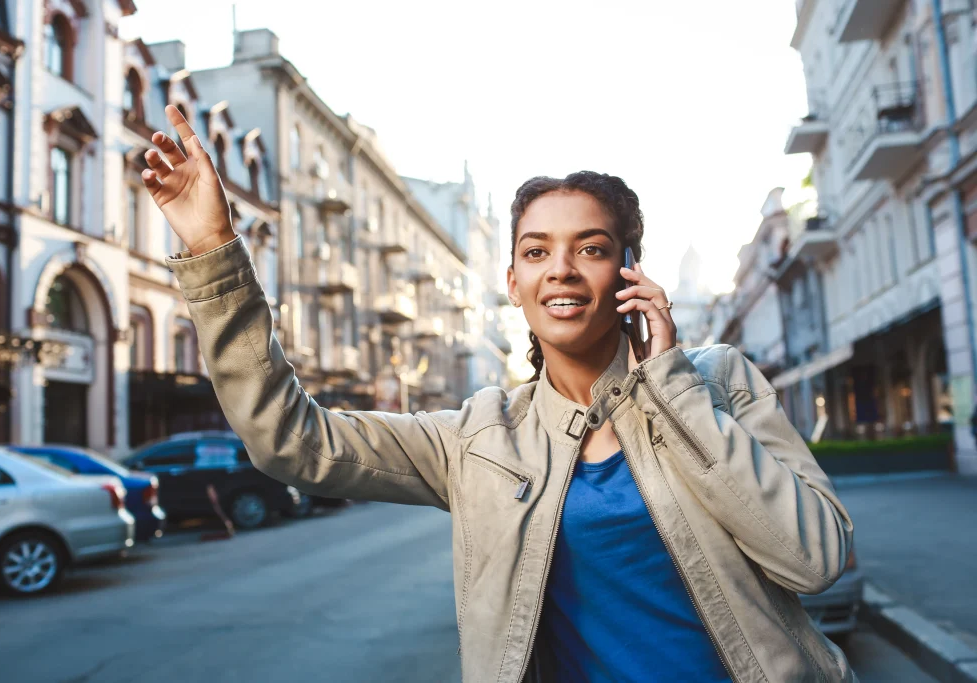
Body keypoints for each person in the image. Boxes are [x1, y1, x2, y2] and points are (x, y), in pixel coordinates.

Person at [142, 105, 857, 683]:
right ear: (513, 282)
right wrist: (213, 253)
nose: (564, 270)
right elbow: (290, 439)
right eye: (537, 250)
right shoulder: (478, 436)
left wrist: (672, 384)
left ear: (631, 273)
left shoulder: (718, 381)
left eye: (593, 247)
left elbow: (815, 559)